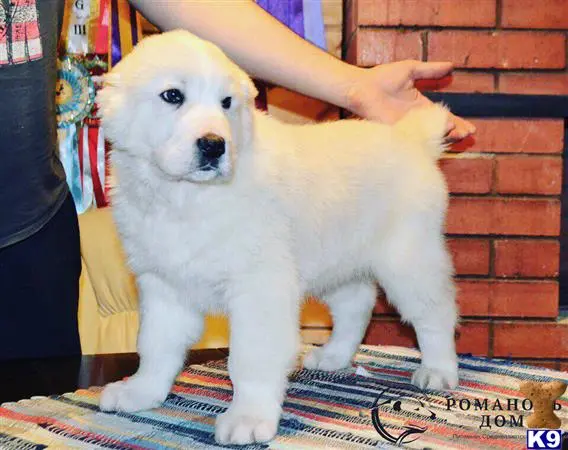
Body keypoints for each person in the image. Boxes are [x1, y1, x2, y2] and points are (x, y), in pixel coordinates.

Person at [0, 0, 475, 360]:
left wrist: (355, 86)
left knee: (34, 409)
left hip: (25, 228)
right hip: (30, 220)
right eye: (173, 97)